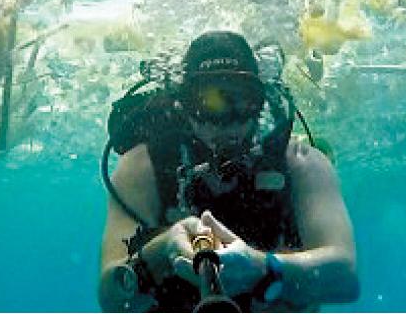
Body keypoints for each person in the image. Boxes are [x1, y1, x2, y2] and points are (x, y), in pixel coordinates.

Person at [98, 31, 359, 312]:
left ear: (259, 102)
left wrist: (264, 267)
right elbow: (111, 298)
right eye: (209, 103)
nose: (225, 122)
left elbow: (346, 279)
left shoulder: (301, 164)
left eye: (241, 101)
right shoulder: (143, 167)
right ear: (184, 106)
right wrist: (162, 251)